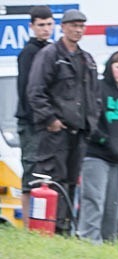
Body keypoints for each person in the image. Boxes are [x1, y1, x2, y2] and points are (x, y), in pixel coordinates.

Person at [27, 8, 100, 233]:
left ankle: (65, 229)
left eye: (81, 26)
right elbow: (35, 91)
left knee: (70, 182)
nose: (78, 30)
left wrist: (91, 123)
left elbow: (94, 96)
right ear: (63, 27)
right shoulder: (50, 55)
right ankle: (50, 230)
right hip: (55, 133)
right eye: (74, 26)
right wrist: (51, 120)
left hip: (79, 132)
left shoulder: (87, 59)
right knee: (53, 180)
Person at [77, 50, 118, 244]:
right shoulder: (99, 87)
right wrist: (106, 142)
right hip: (96, 155)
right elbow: (90, 122)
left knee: (113, 207)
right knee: (94, 200)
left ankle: (108, 245)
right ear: (110, 67)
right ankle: (89, 242)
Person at [15, 5, 54, 228]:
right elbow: (26, 91)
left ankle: (45, 224)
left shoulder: (52, 50)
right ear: (32, 26)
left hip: (47, 123)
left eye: (49, 24)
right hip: (31, 122)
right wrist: (40, 119)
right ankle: (28, 224)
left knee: (46, 175)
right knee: (31, 173)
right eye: (41, 25)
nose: (45, 29)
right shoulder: (28, 53)